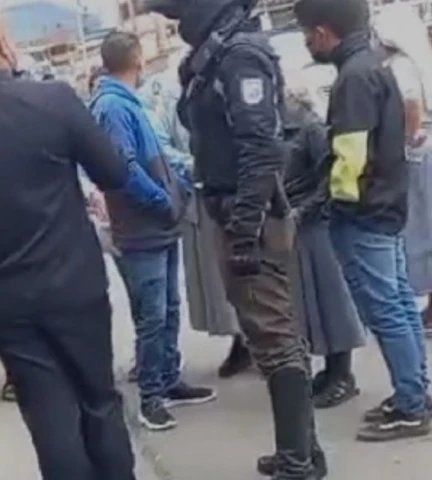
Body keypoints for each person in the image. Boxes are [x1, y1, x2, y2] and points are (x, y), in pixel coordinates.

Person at [0, 3, 136, 479]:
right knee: (99, 400)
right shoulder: (54, 101)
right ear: (3, 46)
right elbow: (114, 172)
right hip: (74, 283)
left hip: (1, 300)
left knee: (48, 412)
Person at [145, 0, 326, 478]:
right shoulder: (219, 49)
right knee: (273, 333)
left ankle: (298, 461)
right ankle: (305, 451)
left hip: (249, 216)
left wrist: (245, 228)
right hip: (238, 211)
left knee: (274, 336)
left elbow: (261, 147)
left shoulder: (238, 52)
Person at [295, 0, 431, 442]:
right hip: (387, 205)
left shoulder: (351, 79)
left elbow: (349, 158)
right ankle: (415, 393)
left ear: (323, 30)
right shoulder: (373, 65)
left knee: (387, 311)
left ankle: (413, 407)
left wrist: (329, 204)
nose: (306, 42)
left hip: (364, 214)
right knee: (400, 304)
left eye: (307, 33)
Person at [90, 31, 215, 431]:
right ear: (138, 59)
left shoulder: (126, 101)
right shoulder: (112, 106)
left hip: (157, 222)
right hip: (141, 224)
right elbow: (125, 168)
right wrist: (162, 199)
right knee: (152, 313)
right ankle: (150, 396)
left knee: (168, 307)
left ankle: (167, 378)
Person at [139, 66, 253, 379]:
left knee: (250, 271)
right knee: (223, 276)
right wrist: (198, 167)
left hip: (238, 192)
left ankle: (257, 339)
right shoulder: (170, 95)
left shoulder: (232, 83)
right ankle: (243, 339)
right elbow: (161, 145)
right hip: (205, 195)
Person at [281, 83, 365, 409]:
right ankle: (332, 372)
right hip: (297, 223)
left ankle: (341, 374)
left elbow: (329, 178)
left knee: (331, 303)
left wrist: (303, 211)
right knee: (311, 303)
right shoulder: (283, 126)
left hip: (314, 223)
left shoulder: (309, 127)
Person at [372, 3, 432, 338]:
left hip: (417, 154)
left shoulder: (400, 65)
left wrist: (404, 143)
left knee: (421, 230)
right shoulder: (421, 61)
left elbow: (411, 104)